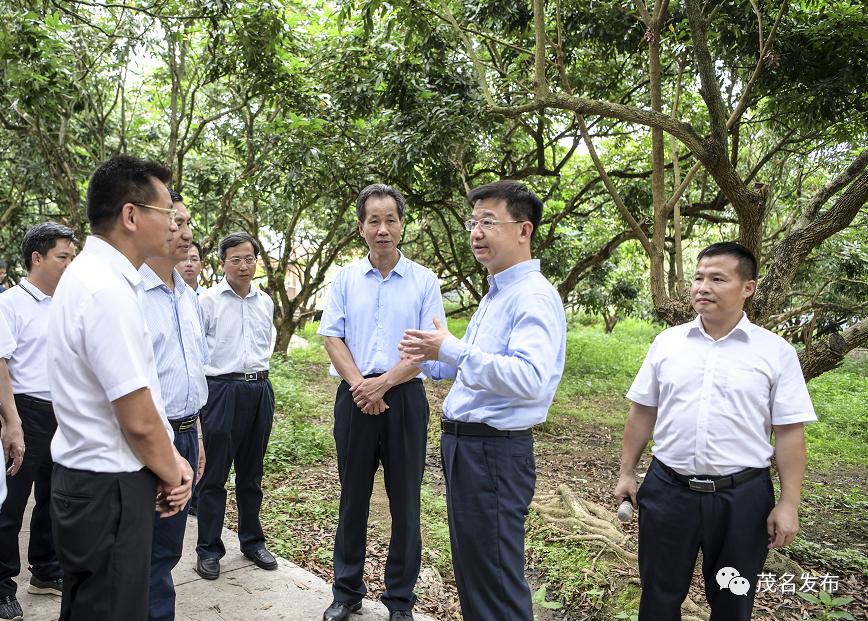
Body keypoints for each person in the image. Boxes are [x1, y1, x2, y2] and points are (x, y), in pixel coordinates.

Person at [613, 241, 817, 621]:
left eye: (717, 279)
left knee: (732, 602)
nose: (702, 287)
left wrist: (789, 503)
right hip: (668, 491)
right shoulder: (667, 343)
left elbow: (789, 432)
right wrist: (627, 472)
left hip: (742, 501)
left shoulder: (775, 352)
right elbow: (643, 411)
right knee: (658, 597)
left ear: (748, 287)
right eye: (698, 277)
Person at [400, 180, 567, 621]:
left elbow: (530, 378)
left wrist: (450, 350)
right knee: (476, 569)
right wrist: (432, 357)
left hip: (493, 452)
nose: (475, 232)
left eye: (488, 222)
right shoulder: (497, 293)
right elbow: (473, 370)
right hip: (470, 449)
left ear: (524, 230)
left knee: (494, 575)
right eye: (473, 222)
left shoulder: (532, 295)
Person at [47, 155, 194, 621]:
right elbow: (138, 420)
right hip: (107, 489)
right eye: (167, 212)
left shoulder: (94, 277)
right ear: (131, 216)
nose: (175, 225)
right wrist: (175, 472)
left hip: (91, 481)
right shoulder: (107, 290)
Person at [318, 184, 446, 621]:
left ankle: (399, 601)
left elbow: (430, 347)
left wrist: (383, 384)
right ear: (361, 228)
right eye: (374, 220)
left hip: (405, 398)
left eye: (391, 219)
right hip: (354, 397)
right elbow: (331, 335)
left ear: (402, 226)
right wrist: (360, 385)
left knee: (405, 501)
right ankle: (346, 591)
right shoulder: (345, 279)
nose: (383, 229)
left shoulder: (424, 281)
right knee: (352, 497)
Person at [0, 223, 76, 621]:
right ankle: (1, 584)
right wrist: (12, 423)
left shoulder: (67, 302)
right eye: (63, 256)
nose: (69, 263)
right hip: (24, 412)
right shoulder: (10, 302)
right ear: (37, 258)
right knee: (10, 505)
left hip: (63, 414)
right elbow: (1, 365)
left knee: (54, 498)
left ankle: (45, 570)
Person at [140, 190, 208, 621]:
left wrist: (196, 439)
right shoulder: (131, 295)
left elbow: (190, 375)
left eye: (187, 223)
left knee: (165, 551)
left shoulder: (187, 295)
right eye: (175, 223)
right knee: (138, 551)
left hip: (186, 432)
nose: (185, 234)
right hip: (147, 436)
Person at [195, 232, 276, 580]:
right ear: (222, 263)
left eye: (249, 258)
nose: (244, 266)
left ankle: (252, 540)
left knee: (252, 473)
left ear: (256, 260)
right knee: (214, 475)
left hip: (259, 390)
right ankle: (209, 548)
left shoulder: (266, 301)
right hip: (221, 391)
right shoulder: (208, 301)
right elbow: (198, 355)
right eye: (235, 260)